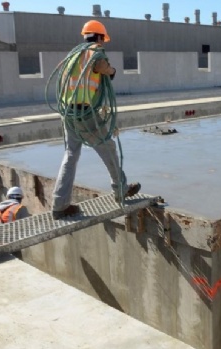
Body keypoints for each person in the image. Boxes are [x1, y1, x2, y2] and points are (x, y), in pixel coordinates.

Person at [51, 20, 140, 220]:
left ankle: (59, 204)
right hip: (85, 112)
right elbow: (102, 67)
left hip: (69, 113)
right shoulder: (95, 53)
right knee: (108, 148)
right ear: (99, 37)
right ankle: (121, 190)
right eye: (103, 40)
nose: (103, 44)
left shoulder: (73, 55)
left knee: (70, 155)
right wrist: (112, 71)